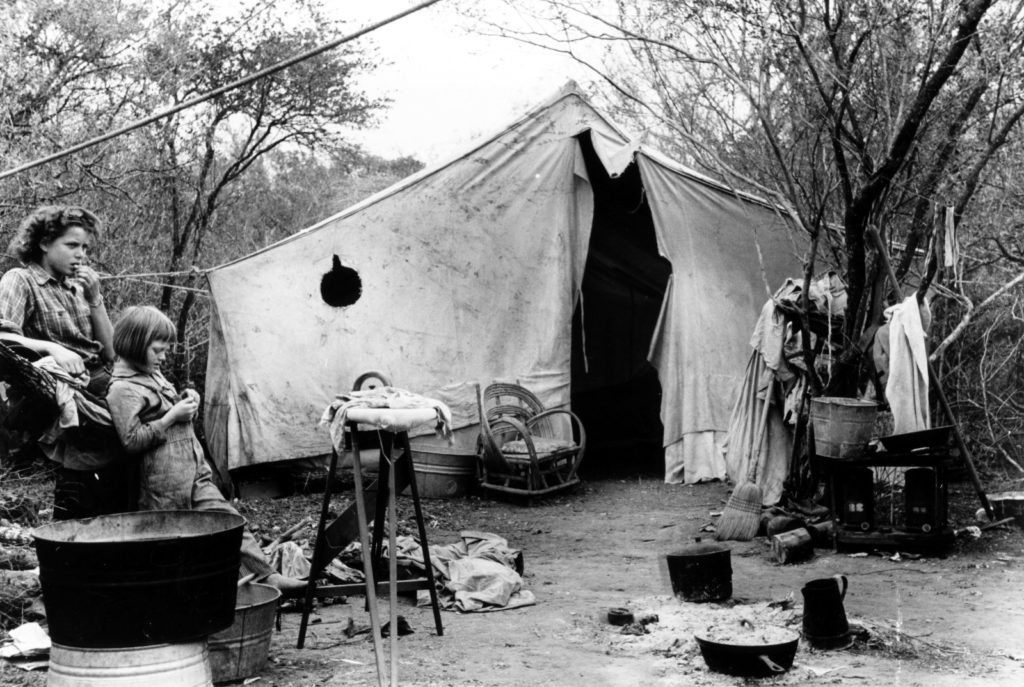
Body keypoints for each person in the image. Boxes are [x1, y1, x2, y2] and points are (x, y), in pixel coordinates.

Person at [105, 305, 305, 593]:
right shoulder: (122, 389)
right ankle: (168, 601)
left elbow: (177, 421)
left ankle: (266, 577)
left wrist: (188, 403)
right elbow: (131, 441)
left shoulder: (153, 375)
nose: (163, 357)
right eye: (158, 350)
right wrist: (171, 416)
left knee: (230, 522)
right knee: (168, 546)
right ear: (136, 346)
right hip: (162, 486)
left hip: (194, 474)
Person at [0, 205, 133, 519]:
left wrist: (95, 298)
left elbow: (112, 353)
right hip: (62, 385)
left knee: (155, 415)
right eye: (72, 245)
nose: (81, 255)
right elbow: (2, 338)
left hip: (103, 376)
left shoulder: (76, 288)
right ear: (44, 243)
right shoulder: (20, 280)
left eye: (85, 247)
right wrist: (51, 349)